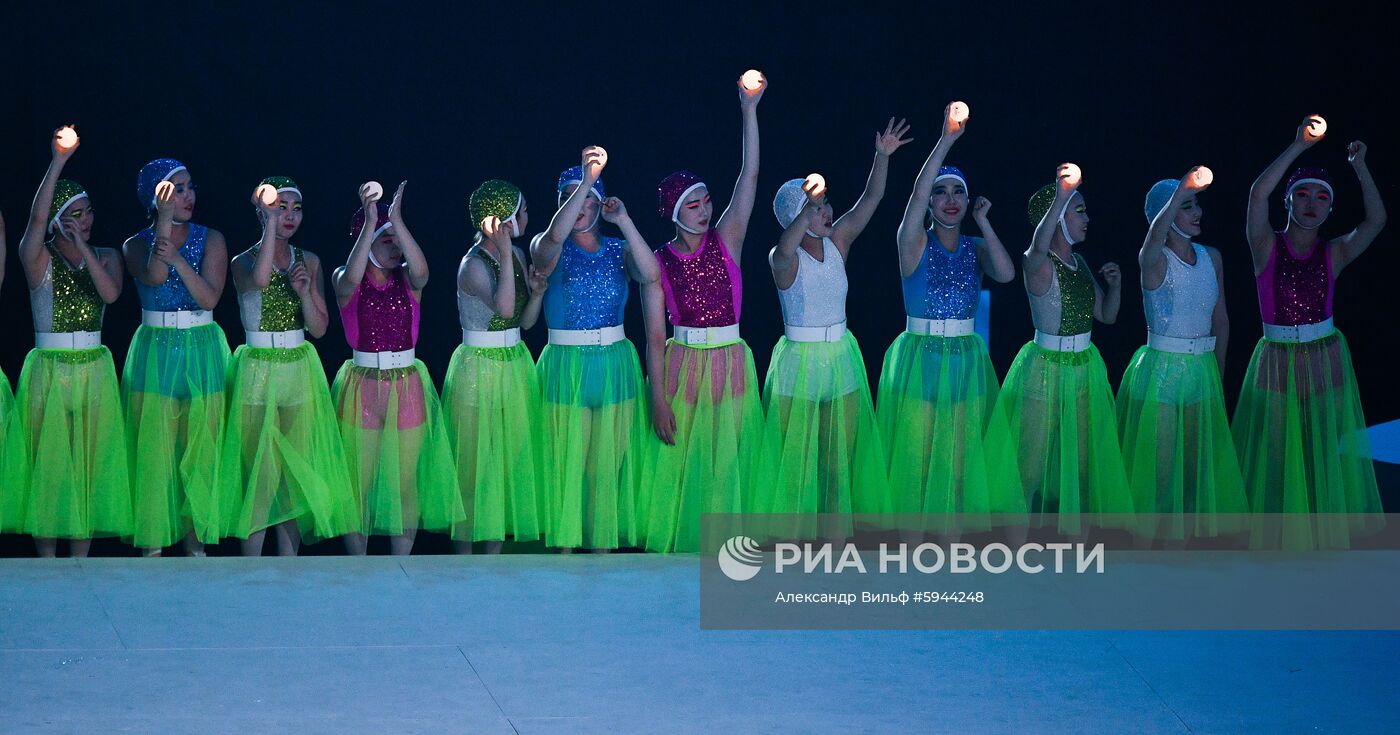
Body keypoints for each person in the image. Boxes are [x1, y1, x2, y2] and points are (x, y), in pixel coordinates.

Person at [754, 119, 911, 538]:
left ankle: (834, 538)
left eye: (825, 205)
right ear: (795, 215)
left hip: (841, 356)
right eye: (816, 207)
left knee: (836, 456)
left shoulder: (837, 243)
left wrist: (882, 156)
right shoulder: (781, 258)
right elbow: (785, 247)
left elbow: (872, 197)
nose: (827, 212)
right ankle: (790, 540)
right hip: (798, 363)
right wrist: (803, 209)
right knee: (796, 456)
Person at [1233, 117, 1386, 548]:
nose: (1312, 203)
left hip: (1323, 353)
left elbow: (1376, 220)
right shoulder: (1265, 244)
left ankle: (1322, 537)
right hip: (1277, 356)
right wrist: (1298, 146)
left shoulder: (1333, 251)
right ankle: (1280, 538)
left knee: (1320, 445)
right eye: (1302, 194)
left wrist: (1360, 167)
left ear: (1331, 208)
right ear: (1288, 201)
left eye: (1322, 197)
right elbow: (1256, 193)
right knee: (1279, 449)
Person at [875, 106, 1022, 537]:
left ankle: (952, 538)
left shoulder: (976, 247)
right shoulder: (913, 241)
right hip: (921, 358)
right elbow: (915, 197)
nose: (951, 199)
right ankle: (912, 538)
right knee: (919, 453)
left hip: (964, 358)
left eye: (958, 191)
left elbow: (1008, 274)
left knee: (959, 454)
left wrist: (984, 222)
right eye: (942, 192)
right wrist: (947, 140)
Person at [644, 72, 766, 553]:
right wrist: (657, 397)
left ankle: (726, 553)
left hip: (731, 360)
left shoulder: (728, 239)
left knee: (724, 461)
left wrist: (749, 112)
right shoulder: (659, 261)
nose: (703, 210)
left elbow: (749, 176)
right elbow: (654, 336)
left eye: (706, 201)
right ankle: (681, 558)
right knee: (682, 464)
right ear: (674, 211)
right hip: (683, 366)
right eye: (691, 204)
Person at [5, 127, 131, 557]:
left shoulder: (108, 256)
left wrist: (84, 246)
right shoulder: (38, 258)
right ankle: (46, 560)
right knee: (51, 465)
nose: (86, 220)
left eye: (88, 212)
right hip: (50, 367)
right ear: (58, 218)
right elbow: (35, 222)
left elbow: (111, 294)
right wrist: (58, 162)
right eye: (75, 214)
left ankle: (81, 560)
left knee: (86, 465)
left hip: (93, 366)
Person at [531, 148, 663, 552]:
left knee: (604, 473)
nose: (581, 205)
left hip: (613, 366)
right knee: (567, 471)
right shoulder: (546, 246)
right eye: (570, 196)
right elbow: (554, 237)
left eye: (588, 197)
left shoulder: (617, 250)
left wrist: (623, 219)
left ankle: (601, 563)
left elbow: (651, 274)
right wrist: (587, 180)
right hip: (566, 367)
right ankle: (565, 563)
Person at [221, 177, 358, 555]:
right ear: (263, 212)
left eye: (296, 209)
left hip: (297, 367)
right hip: (257, 368)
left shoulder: (309, 261)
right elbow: (261, 280)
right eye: (281, 208)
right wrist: (269, 228)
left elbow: (319, 327)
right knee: (261, 475)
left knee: (293, 472)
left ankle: (289, 565)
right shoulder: (242, 261)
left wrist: (305, 291)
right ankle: (251, 569)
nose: (290, 216)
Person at [995, 165, 1133, 535]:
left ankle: (1077, 546)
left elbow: (1106, 315)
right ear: (1056, 217)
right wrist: (1061, 194)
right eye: (1079, 209)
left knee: (1083, 462)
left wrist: (1116, 286)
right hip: (1045, 367)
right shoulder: (1036, 262)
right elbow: (1038, 244)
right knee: (1031, 463)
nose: (1087, 218)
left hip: (1084, 366)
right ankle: (1013, 544)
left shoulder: (1080, 262)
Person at [332, 181, 464, 555]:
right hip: (363, 385)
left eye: (397, 241)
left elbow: (422, 270)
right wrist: (374, 218)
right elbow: (353, 277)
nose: (396, 247)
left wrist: (397, 222)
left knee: (405, 482)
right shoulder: (346, 280)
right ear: (366, 241)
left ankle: (399, 565)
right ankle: (359, 564)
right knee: (360, 480)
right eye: (385, 240)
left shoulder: (409, 282)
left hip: (406, 383)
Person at [1117, 169, 1248, 543]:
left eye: (1196, 204)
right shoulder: (1153, 260)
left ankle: (1186, 547)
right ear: (1166, 213)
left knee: (1195, 465)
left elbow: (1220, 322)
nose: (1198, 212)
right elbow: (1153, 239)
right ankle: (1149, 545)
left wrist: (1217, 377)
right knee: (1160, 467)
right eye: (1187, 205)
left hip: (1201, 371)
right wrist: (1180, 190)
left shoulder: (1213, 257)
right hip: (1161, 371)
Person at [122, 157, 231, 556]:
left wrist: (180, 259)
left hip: (201, 346)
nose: (187, 196)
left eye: (190, 187)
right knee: (156, 450)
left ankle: (196, 545)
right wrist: (163, 224)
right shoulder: (135, 244)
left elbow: (209, 296)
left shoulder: (212, 238)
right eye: (176, 189)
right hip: (157, 348)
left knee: (200, 448)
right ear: (155, 196)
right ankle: (153, 544)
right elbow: (152, 276)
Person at [442, 179, 548, 553]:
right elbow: (503, 309)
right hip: (479, 369)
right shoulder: (472, 265)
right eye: (520, 211)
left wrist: (535, 293)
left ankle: (494, 561)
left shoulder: (517, 256)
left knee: (505, 465)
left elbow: (525, 321)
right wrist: (504, 252)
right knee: (474, 471)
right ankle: (463, 561)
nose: (527, 217)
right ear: (501, 220)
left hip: (513, 364)